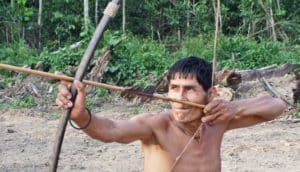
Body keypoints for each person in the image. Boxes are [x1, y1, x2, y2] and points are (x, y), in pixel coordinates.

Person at [56, 56, 285, 172]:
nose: (178, 98)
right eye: (174, 88)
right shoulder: (157, 126)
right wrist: (81, 116)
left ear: (211, 93)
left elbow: (275, 105)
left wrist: (233, 107)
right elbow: (112, 130)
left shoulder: (217, 122)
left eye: (189, 90)